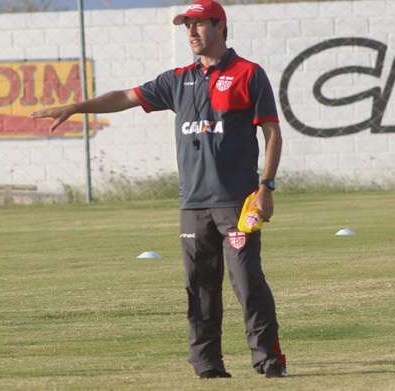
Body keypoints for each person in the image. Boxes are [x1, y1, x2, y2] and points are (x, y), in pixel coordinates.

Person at [32, 0, 287, 379]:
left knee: (248, 285)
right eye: (187, 26)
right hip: (193, 205)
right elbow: (126, 97)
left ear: (220, 26)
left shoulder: (249, 73)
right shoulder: (177, 79)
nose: (191, 32)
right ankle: (207, 366)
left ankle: (268, 361)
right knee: (199, 289)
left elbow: (272, 132)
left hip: (237, 202)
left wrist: (265, 187)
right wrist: (76, 106)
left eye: (199, 25)